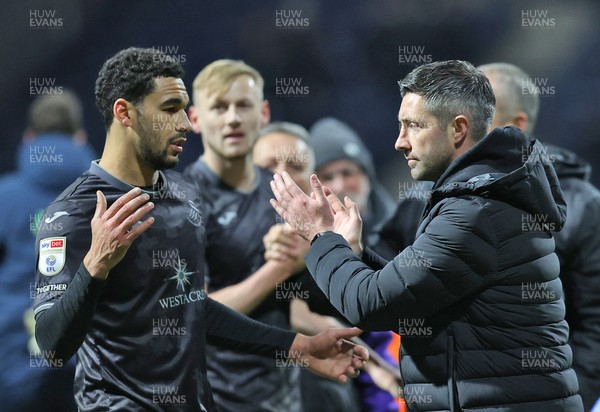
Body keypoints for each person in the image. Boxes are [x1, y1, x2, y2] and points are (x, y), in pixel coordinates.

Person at [32, 47, 367, 412]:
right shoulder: (72, 214)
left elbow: (192, 310)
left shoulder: (185, 198)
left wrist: (296, 346)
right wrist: (95, 266)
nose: (185, 124)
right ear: (125, 112)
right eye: (170, 108)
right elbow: (51, 347)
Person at [270, 60, 583, 411]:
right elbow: (411, 293)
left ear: (457, 129)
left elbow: (372, 305)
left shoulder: (473, 212)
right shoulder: (480, 197)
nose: (399, 142)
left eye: (413, 126)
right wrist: (353, 252)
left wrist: (320, 236)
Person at [478, 62, 600, 411]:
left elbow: (595, 325)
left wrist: (568, 402)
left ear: (516, 126)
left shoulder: (583, 207)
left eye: (479, 112)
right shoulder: (436, 199)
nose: (461, 124)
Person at [0, 91, 95, 411]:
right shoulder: (109, 196)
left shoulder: (4, 197)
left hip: (14, 367)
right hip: (89, 368)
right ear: (80, 138)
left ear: (29, 137)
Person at [309, 117, 403, 412]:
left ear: (367, 174)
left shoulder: (407, 228)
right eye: (327, 175)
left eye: (349, 171)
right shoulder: (302, 246)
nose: (339, 184)